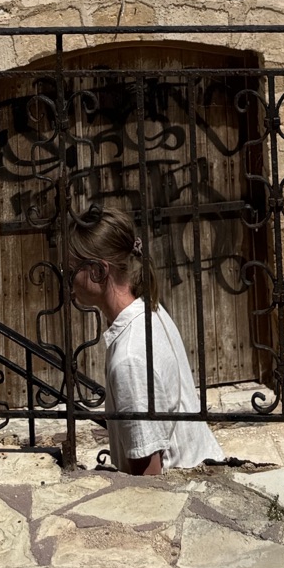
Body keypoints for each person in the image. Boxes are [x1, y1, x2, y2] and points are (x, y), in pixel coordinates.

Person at [66, 200, 222, 473]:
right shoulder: (149, 309)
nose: (67, 280)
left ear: (99, 271)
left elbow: (148, 476)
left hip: (184, 489)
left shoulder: (130, 358)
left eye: (72, 271)